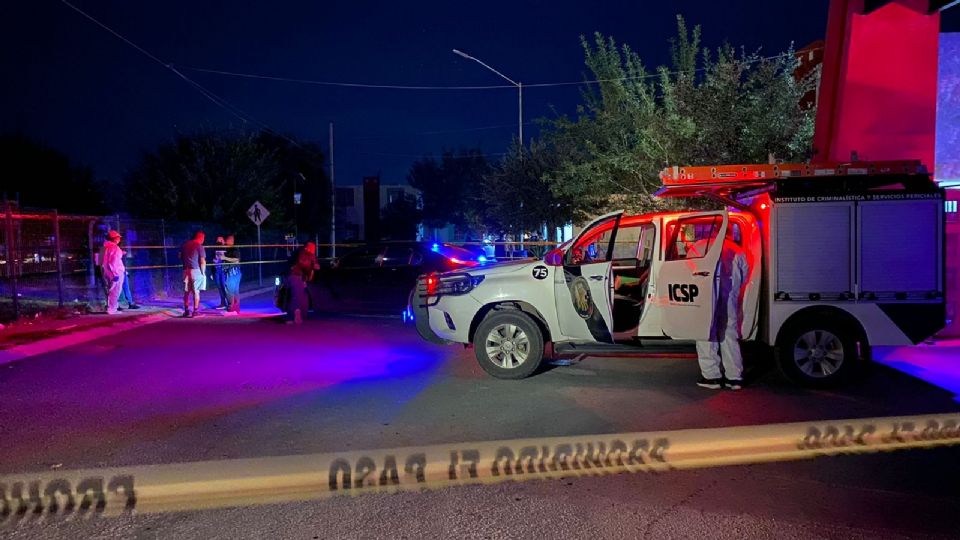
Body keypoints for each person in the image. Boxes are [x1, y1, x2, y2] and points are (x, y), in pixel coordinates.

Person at [696, 229, 750, 390]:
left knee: (706, 335)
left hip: (706, 297)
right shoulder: (737, 249)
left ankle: (711, 377)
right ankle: (734, 378)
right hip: (729, 297)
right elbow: (745, 273)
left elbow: (688, 269)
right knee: (729, 335)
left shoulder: (700, 246)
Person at [287, 241, 319, 324]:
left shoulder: (307, 254)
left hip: (299, 276)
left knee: (302, 296)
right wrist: (313, 266)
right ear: (308, 247)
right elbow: (303, 263)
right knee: (297, 296)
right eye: (312, 248)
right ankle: (292, 316)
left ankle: (299, 314)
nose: (314, 249)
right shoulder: (304, 253)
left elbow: (312, 264)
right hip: (295, 275)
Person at [179, 230, 206, 318]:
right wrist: (203, 273)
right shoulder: (199, 246)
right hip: (196, 270)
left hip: (186, 270)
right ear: (201, 237)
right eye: (203, 238)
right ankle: (195, 311)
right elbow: (202, 261)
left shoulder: (185, 245)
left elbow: (180, 256)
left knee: (186, 292)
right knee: (196, 292)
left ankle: (186, 310)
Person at [99, 230, 125, 315]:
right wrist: (115, 274)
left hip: (106, 272)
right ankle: (112, 309)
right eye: (118, 238)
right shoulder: (115, 248)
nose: (119, 239)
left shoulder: (104, 247)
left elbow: (100, 261)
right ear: (114, 239)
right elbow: (113, 262)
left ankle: (112, 307)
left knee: (111, 291)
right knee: (115, 291)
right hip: (115, 272)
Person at [221, 234, 242, 314]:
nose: (226, 241)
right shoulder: (228, 249)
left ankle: (231, 307)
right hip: (234, 272)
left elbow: (236, 260)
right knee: (235, 291)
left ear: (231, 241)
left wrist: (225, 258)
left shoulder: (234, 249)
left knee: (229, 289)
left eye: (227, 239)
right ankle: (236, 308)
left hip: (232, 272)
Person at [213, 236, 228, 309]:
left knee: (224, 286)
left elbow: (227, 259)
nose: (217, 241)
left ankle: (228, 302)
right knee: (219, 286)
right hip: (217, 269)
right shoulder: (215, 248)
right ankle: (223, 303)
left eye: (218, 240)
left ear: (222, 240)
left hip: (223, 270)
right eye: (216, 240)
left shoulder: (226, 248)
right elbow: (213, 258)